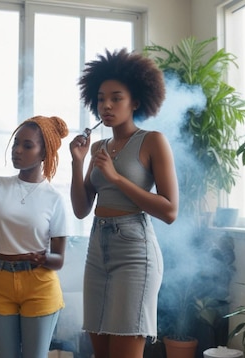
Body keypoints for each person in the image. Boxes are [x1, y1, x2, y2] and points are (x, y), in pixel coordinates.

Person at [69, 48, 179, 358]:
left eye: (116, 98)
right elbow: (81, 209)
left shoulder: (152, 141)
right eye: (101, 98)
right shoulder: (99, 147)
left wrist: (117, 179)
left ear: (136, 101)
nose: (106, 105)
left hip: (134, 251)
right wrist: (78, 163)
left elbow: (170, 211)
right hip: (97, 249)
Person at [0, 115, 69, 358]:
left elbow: (59, 259)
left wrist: (42, 258)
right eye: (15, 143)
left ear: (44, 154)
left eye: (27, 145)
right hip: (0, 282)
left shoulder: (53, 198)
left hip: (39, 284)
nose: (17, 150)